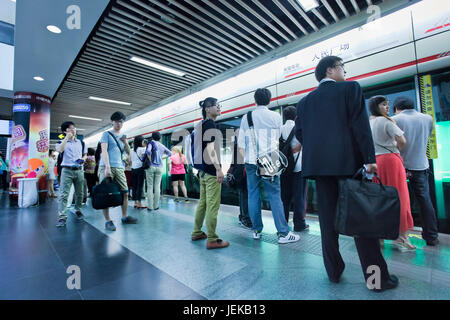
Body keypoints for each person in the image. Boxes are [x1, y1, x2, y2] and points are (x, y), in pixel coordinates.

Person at [295, 56, 398, 291]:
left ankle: (333, 272)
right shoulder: (350, 88)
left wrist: (319, 149)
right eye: (342, 67)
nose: (344, 71)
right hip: (348, 165)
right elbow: (359, 125)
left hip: (319, 169)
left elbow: (301, 134)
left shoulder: (304, 102)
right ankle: (377, 280)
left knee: (327, 222)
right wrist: (369, 159)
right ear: (330, 70)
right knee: (362, 220)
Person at [238, 88, 300, 244]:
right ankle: (283, 234)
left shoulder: (247, 117)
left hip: (251, 160)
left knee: (253, 194)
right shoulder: (276, 116)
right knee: (274, 195)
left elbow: (241, 143)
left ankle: (257, 231)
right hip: (270, 159)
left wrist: (247, 159)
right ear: (270, 100)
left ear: (255, 100)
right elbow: (278, 137)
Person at [368, 95, 415, 251]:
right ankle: (402, 237)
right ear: (376, 106)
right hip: (391, 161)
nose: (387, 107)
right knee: (400, 197)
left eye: (388, 104)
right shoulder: (386, 121)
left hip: (376, 162)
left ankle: (380, 235)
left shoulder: (368, 123)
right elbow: (402, 141)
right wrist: (394, 146)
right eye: (383, 104)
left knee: (380, 199)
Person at [393, 96, 440, 246]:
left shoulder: (395, 119)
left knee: (398, 200)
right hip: (421, 166)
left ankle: (400, 234)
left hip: (401, 166)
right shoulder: (428, 118)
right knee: (425, 200)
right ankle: (431, 236)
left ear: (397, 108)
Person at [190, 97, 229, 249]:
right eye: (216, 105)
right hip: (211, 171)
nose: (219, 107)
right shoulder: (211, 124)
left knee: (203, 203)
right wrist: (219, 169)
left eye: (220, 105)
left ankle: (196, 232)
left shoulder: (200, 125)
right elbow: (210, 149)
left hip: (202, 171)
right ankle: (212, 239)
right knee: (213, 205)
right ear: (207, 109)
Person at [98, 111, 138, 231]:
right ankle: (108, 221)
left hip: (119, 167)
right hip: (107, 166)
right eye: (116, 121)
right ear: (112, 122)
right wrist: (107, 167)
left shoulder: (123, 136)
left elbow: (127, 152)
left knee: (125, 192)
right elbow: (104, 151)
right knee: (105, 194)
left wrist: (125, 142)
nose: (119, 124)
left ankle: (124, 217)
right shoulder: (106, 134)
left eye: (121, 121)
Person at [280, 106, 309, 232]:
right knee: (299, 196)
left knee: (284, 197)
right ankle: (299, 224)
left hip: (284, 167)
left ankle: (284, 222)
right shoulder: (299, 127)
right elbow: (307, 142)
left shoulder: (280, 129)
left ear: (285, 116)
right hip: (298, 166)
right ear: (296, 116)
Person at [55, 121, 87, 227]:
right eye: (70, 128)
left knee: (80, 193)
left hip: (79, 170)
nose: (73, 130)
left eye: (74, 128)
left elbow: (85, 154)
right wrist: (66, 138)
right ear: (65, 131)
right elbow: (60, 150)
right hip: (66, 170)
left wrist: (83, 159)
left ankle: (78, 210)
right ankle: (62, 217)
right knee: (64, 194)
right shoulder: (60, 142)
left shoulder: (81, 142)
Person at [145, 131, 172, 211]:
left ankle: (150, 206)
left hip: (151, 167)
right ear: (160, 138)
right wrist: (161, 158)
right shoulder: (162, 145)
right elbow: (170, 153)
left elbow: (148, 151)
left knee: (150, 187)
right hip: (159, 167)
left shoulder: (150, 143)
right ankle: (156, 206)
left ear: (152, 137)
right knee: (157, 186)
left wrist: (150, 160)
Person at [131, 135, 147, 209]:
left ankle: (135, 203)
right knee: (140, 186)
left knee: (134, 186)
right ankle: (140, 203)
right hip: (140, 169)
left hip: (133, 169)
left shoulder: (131, 150)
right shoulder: (142, 149)